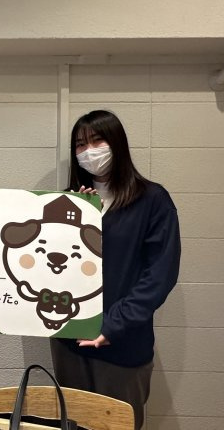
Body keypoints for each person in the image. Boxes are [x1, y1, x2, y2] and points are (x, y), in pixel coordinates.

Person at [50, 110, 180, 430]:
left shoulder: (152, 200)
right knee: (72, 423)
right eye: (80, 145)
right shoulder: (70, 202)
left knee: (119, 424)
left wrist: (113, 325)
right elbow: (51, 267)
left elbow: (159, 275)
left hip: (122, 346)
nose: (89, 151)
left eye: (97, 141)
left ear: (117, 143)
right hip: (70, 342)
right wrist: (76, 219)